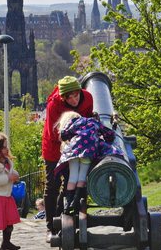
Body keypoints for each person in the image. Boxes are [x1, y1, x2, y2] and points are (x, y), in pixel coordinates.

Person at [42, 75, 93, 243]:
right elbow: (53, 132)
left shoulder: (88, 98)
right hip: (55, 149)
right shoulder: (54, 104)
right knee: (53, 185)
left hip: (77, 149)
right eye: (68, 97)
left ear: (80, 91)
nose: (73, 99)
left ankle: (67, 218)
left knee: (76, 182)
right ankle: (51, 226)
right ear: (63, 97)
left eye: (76, 95)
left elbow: (87, 120)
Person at [55, 111, 123, 215]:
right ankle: (75, 201)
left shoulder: (73, 123)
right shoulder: (92, 122)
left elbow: (63, 135)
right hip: (88, 152)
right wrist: (107, 140)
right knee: (82, 177)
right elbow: (109, 134)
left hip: (73, 152)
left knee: (73, 177)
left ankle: (67, 205)